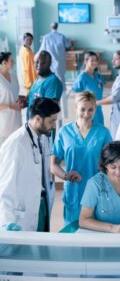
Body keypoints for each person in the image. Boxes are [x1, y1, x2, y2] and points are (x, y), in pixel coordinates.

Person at [51, 91, 112, 224]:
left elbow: (111, 164)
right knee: (72, 236)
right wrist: (66, 176)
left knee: (95, 236)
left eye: (91, 109)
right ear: (75, 108)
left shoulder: (103, 133)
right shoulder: (64, 132)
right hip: (74, 192)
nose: (86, 114)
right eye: (82, 109)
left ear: (95, 108)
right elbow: (53, 164)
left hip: (97, 192)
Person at [0, 97, 60, 231]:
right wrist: (7, 223)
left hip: (41, 205)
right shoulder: (16, 144)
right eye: (51, 121)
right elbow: (5, 188)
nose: (54, 126)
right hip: (22, 216)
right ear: (38, 119)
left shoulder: (43, 137)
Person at [37, 22, 70, 118]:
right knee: (61, 88)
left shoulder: (46, 38)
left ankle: (52, 113)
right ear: (57, 26)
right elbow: (67, 46)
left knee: (50, 88)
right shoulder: (62, 37)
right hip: (60, 66)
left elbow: (41, 51)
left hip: (51, 66)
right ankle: (62, 114)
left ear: (51, 27)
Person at [27, 50, 63, 120]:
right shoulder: (39, 79)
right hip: (32, 122)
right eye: (37, 62)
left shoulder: (53, 81)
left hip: (43, 126)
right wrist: (25, 101)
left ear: (50, 63)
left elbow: (49, 108)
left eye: (43, 63)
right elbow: (34, 98)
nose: (39, 65)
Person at [72, 51, 105, 125]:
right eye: (92, 60)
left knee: (100, 131)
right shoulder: (82, 77)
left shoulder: (98, 76)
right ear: (86, 61)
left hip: (98, 109)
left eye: (96, 60)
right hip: (87, 111)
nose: (94, 63)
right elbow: (77, 97)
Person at [0, 52, 22, 147]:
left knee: (16, 146)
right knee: (4, 150)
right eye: (11, 61)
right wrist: (10, 106)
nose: (13, 62)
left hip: (17, 119)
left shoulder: (14, 76)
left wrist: (21, 100)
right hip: (4, 121)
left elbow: (15, 94)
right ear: (4, 63)